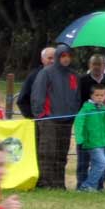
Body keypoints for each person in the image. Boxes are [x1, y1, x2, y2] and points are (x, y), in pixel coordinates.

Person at [30, 43, 79, 189]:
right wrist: (41, 115)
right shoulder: (46, 73)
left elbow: (76, 96)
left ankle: (59, 184)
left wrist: (72, 113)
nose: (66, 59)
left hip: (66, 120)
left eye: (68, 56)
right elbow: (37, 95)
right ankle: (45, 183)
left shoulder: (73, 75)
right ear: (58, 56)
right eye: (63, 56)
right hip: (48, 119)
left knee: (61, 154)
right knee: (47, 152)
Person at [77, 54, 105, 189]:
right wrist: (80, 138)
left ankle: (98, 186)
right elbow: (79, 116)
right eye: (94, 64)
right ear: (89, 66)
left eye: (100, 64)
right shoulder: (83, 80)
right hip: (88, 131)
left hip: (102, 134)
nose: (97, 67)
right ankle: (83, 185)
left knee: (102, 162)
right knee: (84, 161)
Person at [74, 83, 105, 193]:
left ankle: (95, 187)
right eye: (97, 95)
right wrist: (79, 139)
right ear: (91, 96)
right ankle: (87, 185)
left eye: (102, 95)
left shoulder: (103, 108)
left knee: (98, 164)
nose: (100, 97)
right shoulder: (86, 108)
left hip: (103, 142)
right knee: (101, 163)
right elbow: (78, 122)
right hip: (92, 142)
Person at [16, 47, 55, 119]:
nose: (53, 61)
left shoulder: (63, 76)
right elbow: (22, 100)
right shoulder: (34, 76)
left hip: (59, 120)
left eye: (55, 58)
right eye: (50, 58)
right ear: (42, 60)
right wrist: (33, 117)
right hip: (40, 120)